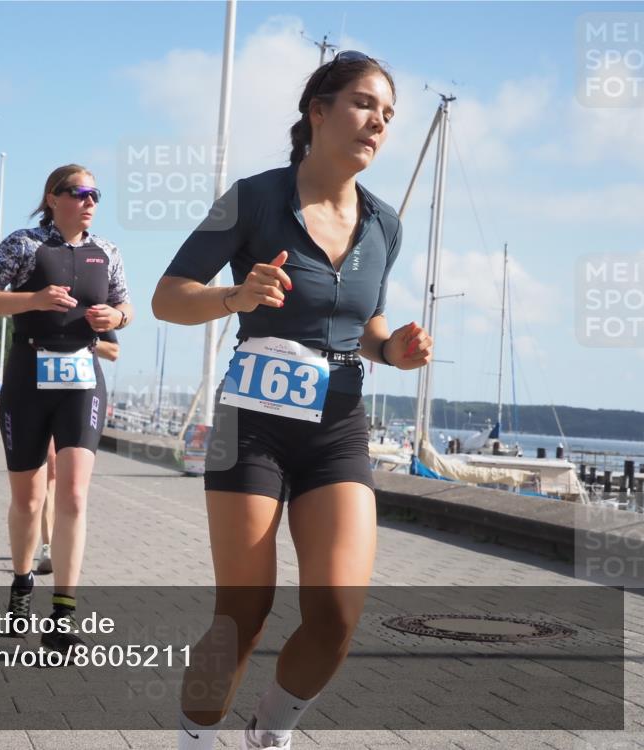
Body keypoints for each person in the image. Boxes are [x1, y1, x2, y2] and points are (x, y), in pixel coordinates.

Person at [151, 51, 433, 750]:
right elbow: (167, 298)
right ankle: (194, 740)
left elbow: (359, 325)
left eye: (389, 115)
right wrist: (234, 296)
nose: (379, 123)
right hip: (252, 422)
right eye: (366, 104)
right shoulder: (251, 198)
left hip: (337, 425)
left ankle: (268, 733)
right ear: (319, 111)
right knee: (242, 614)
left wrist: (391, 348)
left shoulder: (385, 225)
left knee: (337, 613)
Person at [0, 164, 132, 652]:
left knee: (75, 496)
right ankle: (21, 585)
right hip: (28, 377)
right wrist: (33, 298)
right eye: (79, 193)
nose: (89, 201)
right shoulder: (24, 244)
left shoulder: (109, 252)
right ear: (53, 197)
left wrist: (116, 316)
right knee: (29, 499)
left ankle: (62, 616)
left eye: (95, 194)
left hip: (83, 381)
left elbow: (128, 306)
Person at [37, 330, 119, 574]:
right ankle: (48, 544)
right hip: (38, 393)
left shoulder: (89, 302)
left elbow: (113, 351)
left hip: (77, 397)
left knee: (68, 486)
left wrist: (84, 340)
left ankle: (57, 540)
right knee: (49, 474)